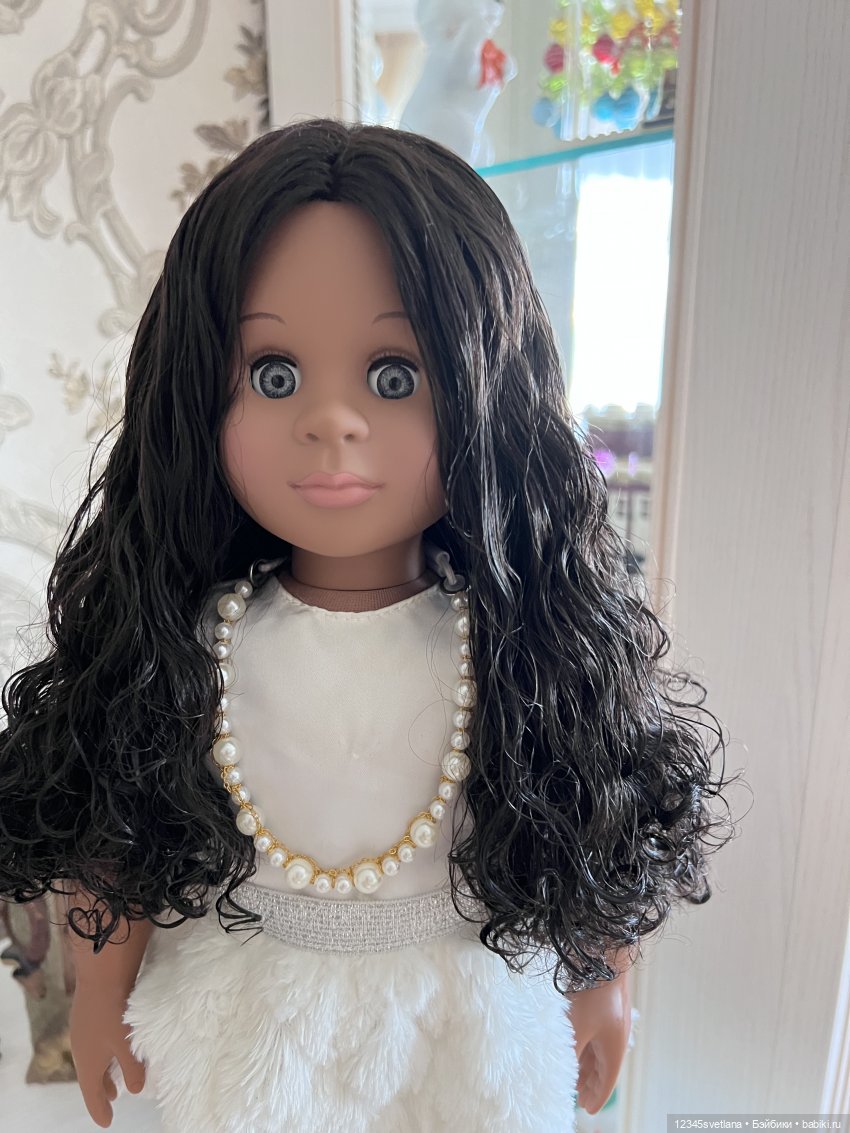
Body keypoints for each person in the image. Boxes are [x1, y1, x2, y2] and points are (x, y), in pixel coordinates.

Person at [0, 118, 734, 1132]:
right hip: (254, 1016)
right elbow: (120, 821)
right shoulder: (192, 647)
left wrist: (601, 978)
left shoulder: (513, 651)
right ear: (197, 396)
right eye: (274, 374)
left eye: (394, 377)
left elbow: (590, 810)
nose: (331, 421)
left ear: (486, 395)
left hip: (462, 1008)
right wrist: (98, 987)